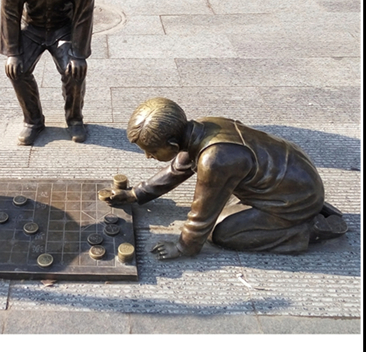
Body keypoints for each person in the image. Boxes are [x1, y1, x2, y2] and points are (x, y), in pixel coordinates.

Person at [104, 97, 348, 260]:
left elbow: (202, 215)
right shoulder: (203, 126)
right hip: (297, 180)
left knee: (222, 234)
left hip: (293, 200)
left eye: (151, 151)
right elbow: (177, 170)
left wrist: (183, 247)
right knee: (225, 211)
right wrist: (135, 194)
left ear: (173, 144)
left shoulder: (215, 159)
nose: (148, 156)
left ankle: (307, 230)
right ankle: (306, 210)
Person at [0, 0, 95, 145]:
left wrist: (78, 54)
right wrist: (13, 52)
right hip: (33, 26)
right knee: (17, 69)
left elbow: (84, 13)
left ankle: (75, 119)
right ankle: (33, 120)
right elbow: (9, 10)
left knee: (74, 70)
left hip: (64, 27)